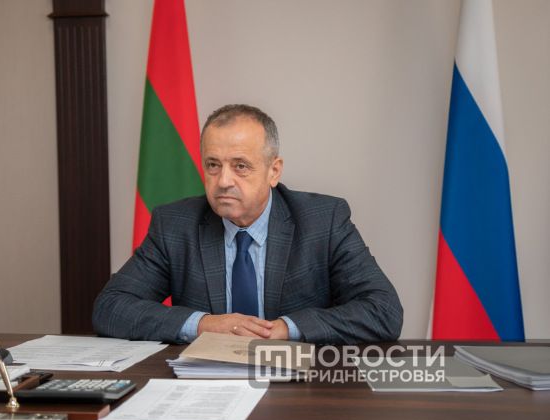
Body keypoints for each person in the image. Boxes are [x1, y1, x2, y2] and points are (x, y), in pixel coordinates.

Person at [93, 104, 403, 345]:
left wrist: (284, 329)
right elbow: (110, 307)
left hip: (297, 389)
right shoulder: (175, 225)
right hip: (205, 387)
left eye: (240, 166)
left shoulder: (324, 220)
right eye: (213, 165)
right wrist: (203, 324)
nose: (223, 181)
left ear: (273, 171)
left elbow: (383, 310)